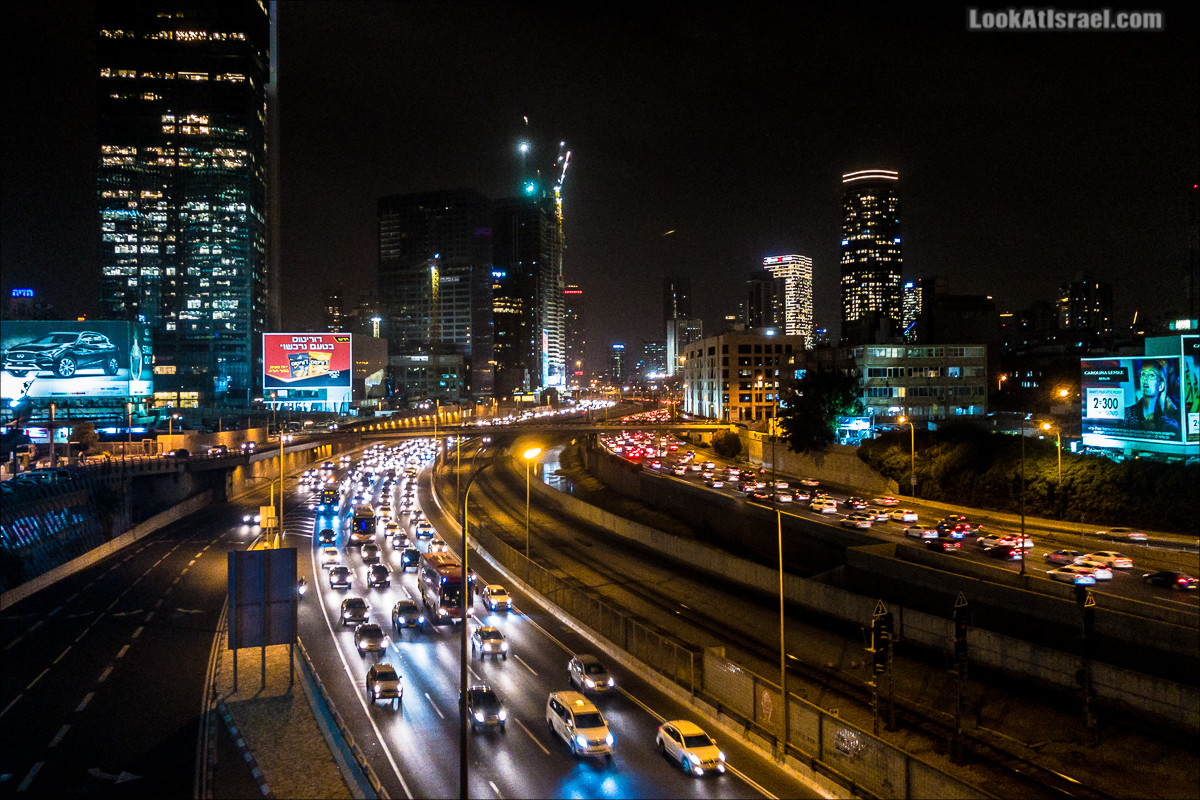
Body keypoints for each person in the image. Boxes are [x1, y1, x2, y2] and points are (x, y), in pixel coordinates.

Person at [1123, 360, 1180, 434]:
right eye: (1143, 374)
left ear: (1160, 386)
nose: (1145, 379)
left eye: (1151, 375)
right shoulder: (1126, 414)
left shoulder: (1169, 423)